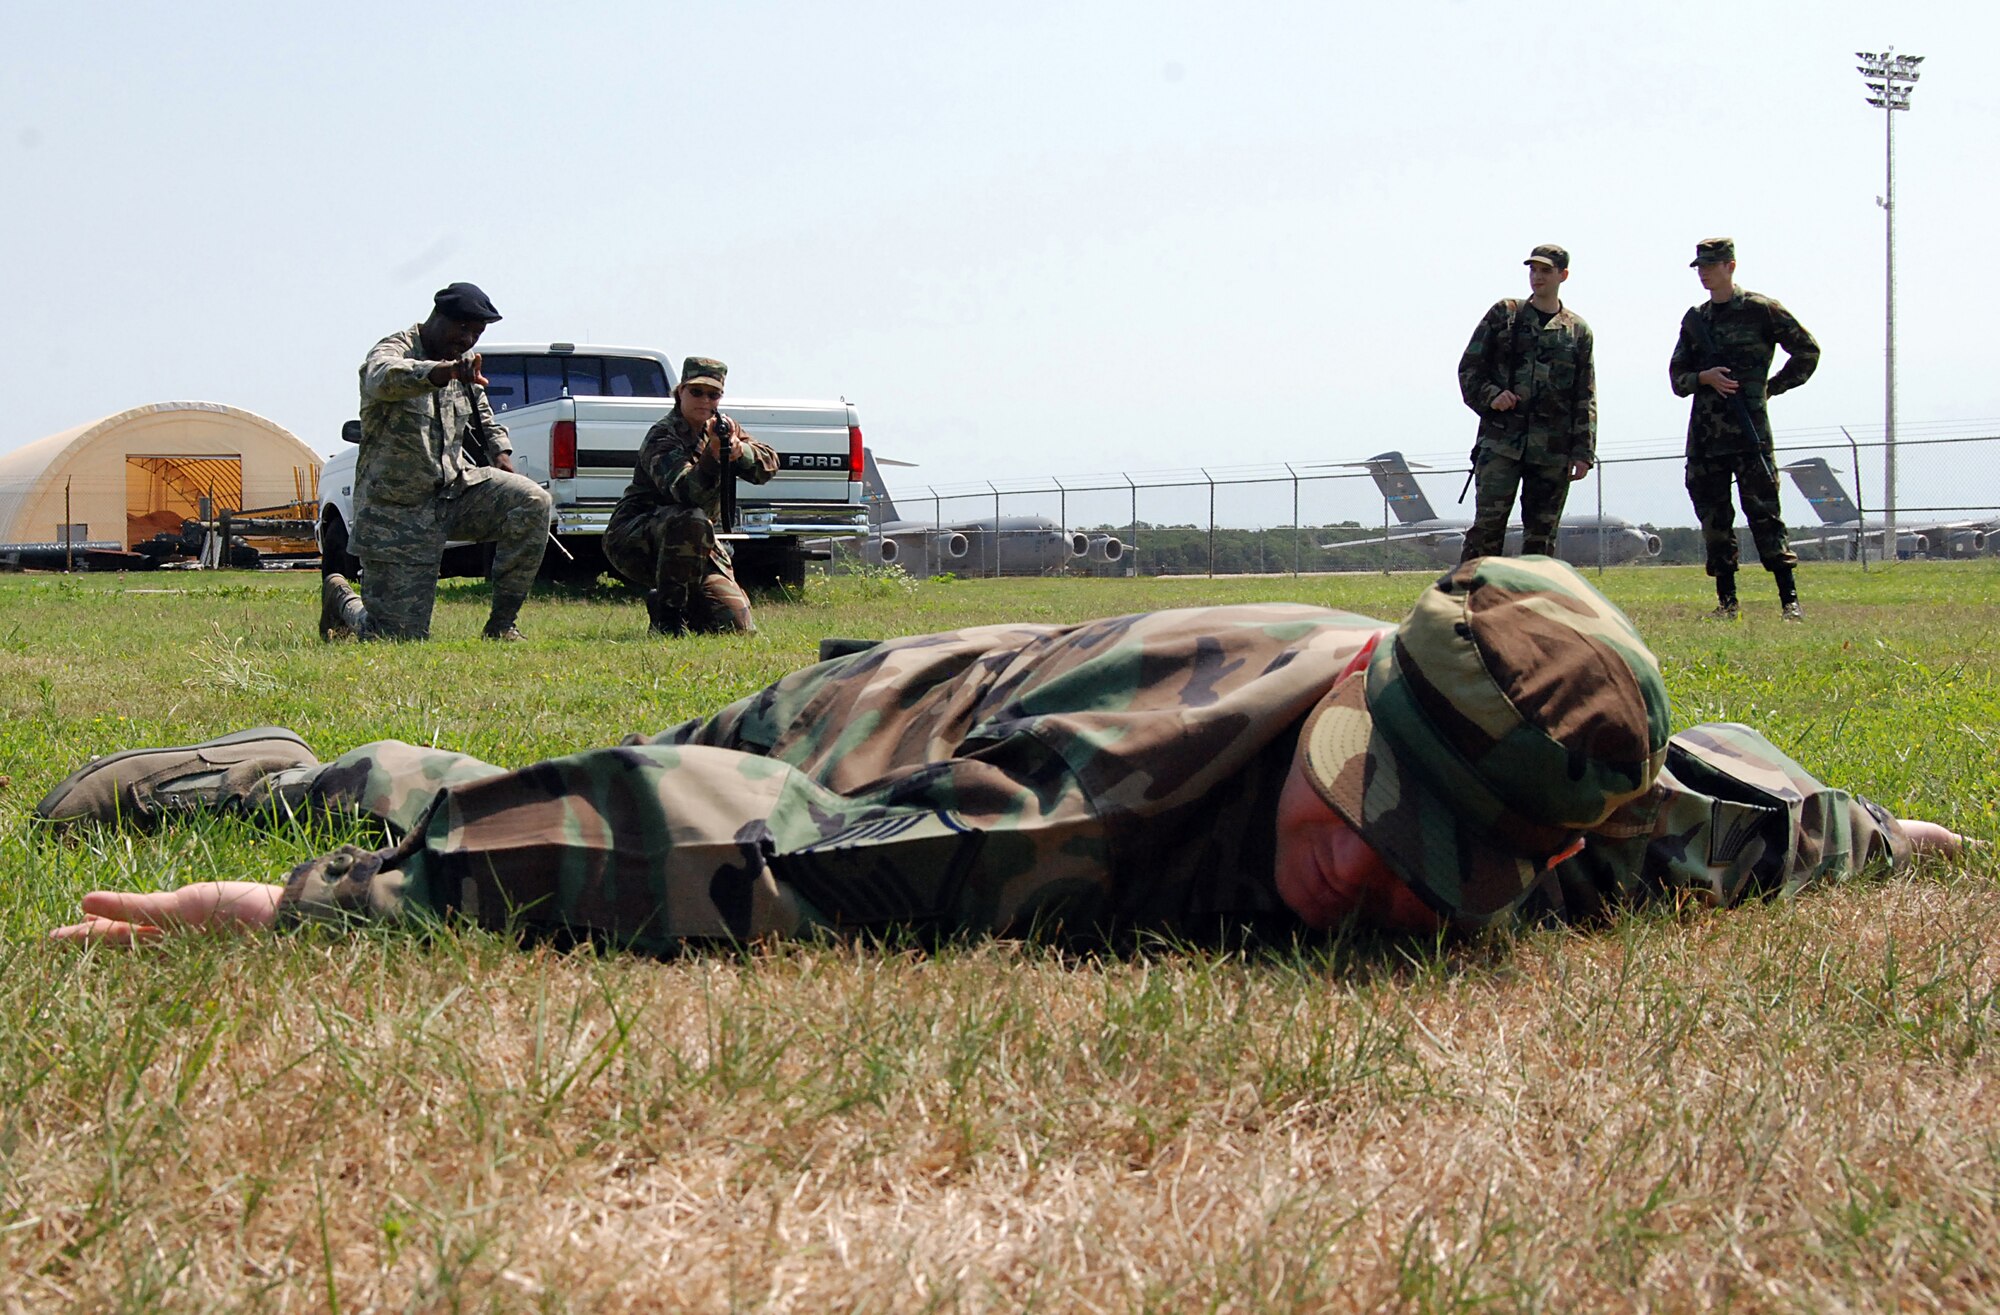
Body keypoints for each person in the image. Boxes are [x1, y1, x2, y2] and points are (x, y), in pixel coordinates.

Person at [40, 558, 1969, 950]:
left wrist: (1873, 831)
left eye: (1452, 873)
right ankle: (286, 766)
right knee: (507, 776)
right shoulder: (1080, 811)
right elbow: (719, 840)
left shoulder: (1565, 791)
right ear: (1348, 704)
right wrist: (324, 905)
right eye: (1374, 818)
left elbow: (1724, 808)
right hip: (887, 723)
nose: (1376, 885)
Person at [321, 282, 554, 643]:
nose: (468, 340)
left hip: (455, 490)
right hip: (398, 512)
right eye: (463, 328)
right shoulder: (394, 350)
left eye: (477, 333)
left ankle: (502, 626)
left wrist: (501, 453)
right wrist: (439, 373)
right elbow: (380, 378)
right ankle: (342, 598)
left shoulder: (462, 369)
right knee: (396, 638)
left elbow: (483, 413)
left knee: (532, 500)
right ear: (438, 317)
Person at [1669, 238, 1821, 622]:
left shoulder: (1761, 311)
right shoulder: (1695, 321)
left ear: (1730, 266)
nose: (1704, 272)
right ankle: (1728, 601)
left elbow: (1807, 351)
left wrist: (1770, 387)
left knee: (1765, 514)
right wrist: (1703, 377)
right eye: (1700, 266)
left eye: (1712, 265)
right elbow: (1677, 378)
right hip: (1706, 438)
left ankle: (1789, 600)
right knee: (1714, 521)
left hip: (1750, 432)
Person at [602, 357, 778, 637]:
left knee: (737, 627)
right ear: (680, 391)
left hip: (696, 543)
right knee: (691, 518)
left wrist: (737, 451)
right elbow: (686, 493)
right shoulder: (663, 436)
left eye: (713, 394)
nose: (704, 400)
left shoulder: (723, 429)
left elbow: (768, 465)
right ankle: (667, 617)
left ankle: (684, 604)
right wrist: (712, 455)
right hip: (637, 539)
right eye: (696, 392)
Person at [1454, 244, 1596, 562]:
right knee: (1487, 531)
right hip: (1501, 443)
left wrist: (1583, 451)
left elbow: (1584, 395)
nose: (1537, 276)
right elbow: (1469, 369)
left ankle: (1533, 606)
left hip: (1552, 451)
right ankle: (1471, 601)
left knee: (1541, 537)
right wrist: (1493, 396)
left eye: (1546, 270)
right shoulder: (1505, 315)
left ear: (1563, 275)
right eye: (1533, 269)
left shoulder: (1577, 331)